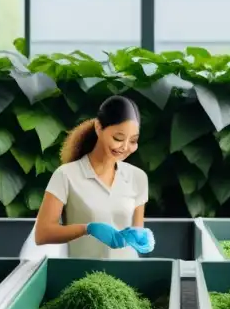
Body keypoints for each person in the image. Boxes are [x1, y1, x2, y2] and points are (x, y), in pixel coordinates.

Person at [34, 95, 154, 258]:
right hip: (84, 275)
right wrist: (88, 228)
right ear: (98, 127)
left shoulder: (138, 177)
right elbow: (42, 233)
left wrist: (142, 237)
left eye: (133, 141)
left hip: (126, 276)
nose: (125, 147)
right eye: (118, 138)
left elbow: (137, 233)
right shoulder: (66, 175)